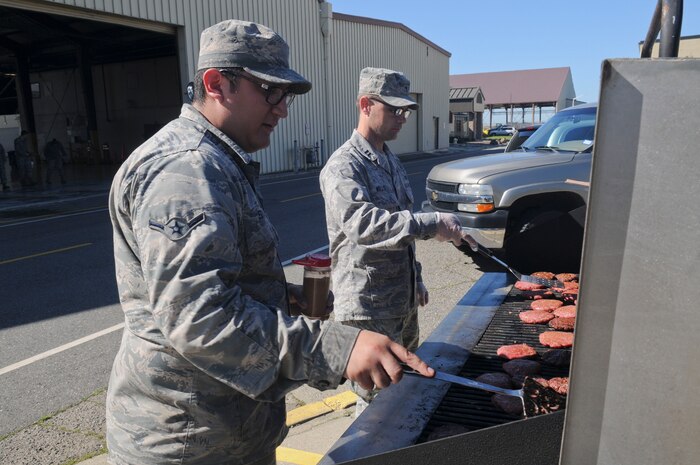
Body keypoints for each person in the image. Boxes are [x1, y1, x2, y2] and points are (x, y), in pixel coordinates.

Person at [106, 20, 433, 465]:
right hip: (188, 440)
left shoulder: (217, 160)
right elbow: (198, 317)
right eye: (270, 92)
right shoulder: (186, 170)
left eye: (288, 96)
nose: (282, 109)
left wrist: (282, 296)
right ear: (216, 83)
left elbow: (221, 282)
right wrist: (338, 347)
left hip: (225, 428)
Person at [319, 67, 477, 416]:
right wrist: (432, 222)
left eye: (405, 110)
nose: (402, 118)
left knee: (404, 388)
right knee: (375, 402)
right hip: (367, 305)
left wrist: (416, 276)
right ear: (365, 105)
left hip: (400, 300)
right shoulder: (343, 166)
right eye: (394, 109)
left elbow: (400, 228)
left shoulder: (390, 159)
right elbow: (364, 225)